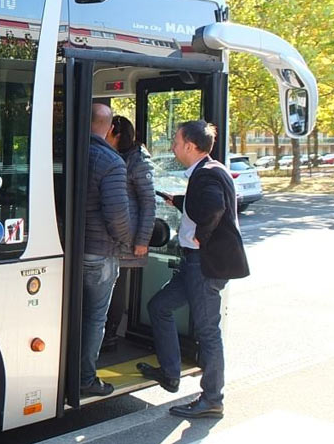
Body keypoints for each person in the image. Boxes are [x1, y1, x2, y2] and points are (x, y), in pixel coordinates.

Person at [138, 120, 249, 419]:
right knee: (159, 306)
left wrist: (202, 234)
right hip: (195, 264)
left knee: (207, 332)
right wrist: (182, 202)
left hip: (203, 264)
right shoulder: (211, 170)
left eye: (176, 141)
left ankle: (212, 398)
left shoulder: (207, 174)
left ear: (190, 145)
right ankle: (171, 373)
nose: (173, 146)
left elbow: (214, 208)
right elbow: (213, 203)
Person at [81, 103, 132, 397]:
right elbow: (117, 216)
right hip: (100, 253)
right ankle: (86, 378)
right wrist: (125, 242)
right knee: (94, 318)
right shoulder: (111, 162)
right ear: (110, 128)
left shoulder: (68, 150)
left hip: (70, 249)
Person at [104, 116, 155, 344]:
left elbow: (148, 202)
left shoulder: (137, 161)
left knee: (116, 287)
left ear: (114, 132)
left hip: (127, 236)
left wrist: (142, 240)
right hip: (111, 234)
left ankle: (111, 334)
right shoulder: (113, 157)